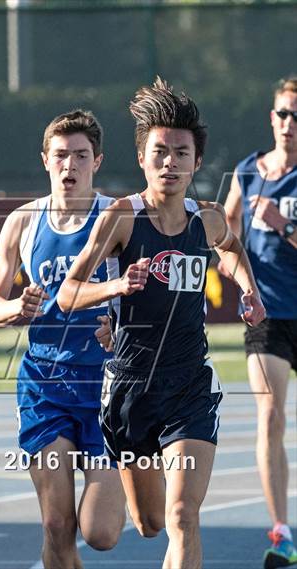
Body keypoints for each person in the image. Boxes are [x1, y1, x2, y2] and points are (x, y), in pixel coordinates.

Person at [58, 77, 266, 569]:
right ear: (141, 158)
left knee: (182, 516)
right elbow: (68, 294)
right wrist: (115, 288)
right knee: (151, 522)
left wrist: (248, 289)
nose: (170, 162)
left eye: (181, 152)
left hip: (190, 385)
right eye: (159, 152)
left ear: (196, 161)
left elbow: (232, 250)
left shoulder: (207, 219)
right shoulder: (121, 219)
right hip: (131, 389)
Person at [0, 109, 126, 569]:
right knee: (55, 525)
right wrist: (15, 309)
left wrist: (120, 327)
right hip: (46, 382)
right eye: (61, 155)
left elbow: (150, 298)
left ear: (96, 162)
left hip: (106, 385)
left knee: (99, 534)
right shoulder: (22, 223)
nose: (70, 166)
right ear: (45, 160)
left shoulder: (118, 218)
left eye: (80, 156)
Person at [221, 76, 297, 569]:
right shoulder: (248, 173)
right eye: (284, 114)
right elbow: (224, 240)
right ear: (272, 118)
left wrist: (284, 225)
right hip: (268, 314)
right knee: (269, 416)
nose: (290, 124)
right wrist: (242, 282)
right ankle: (283, 534)